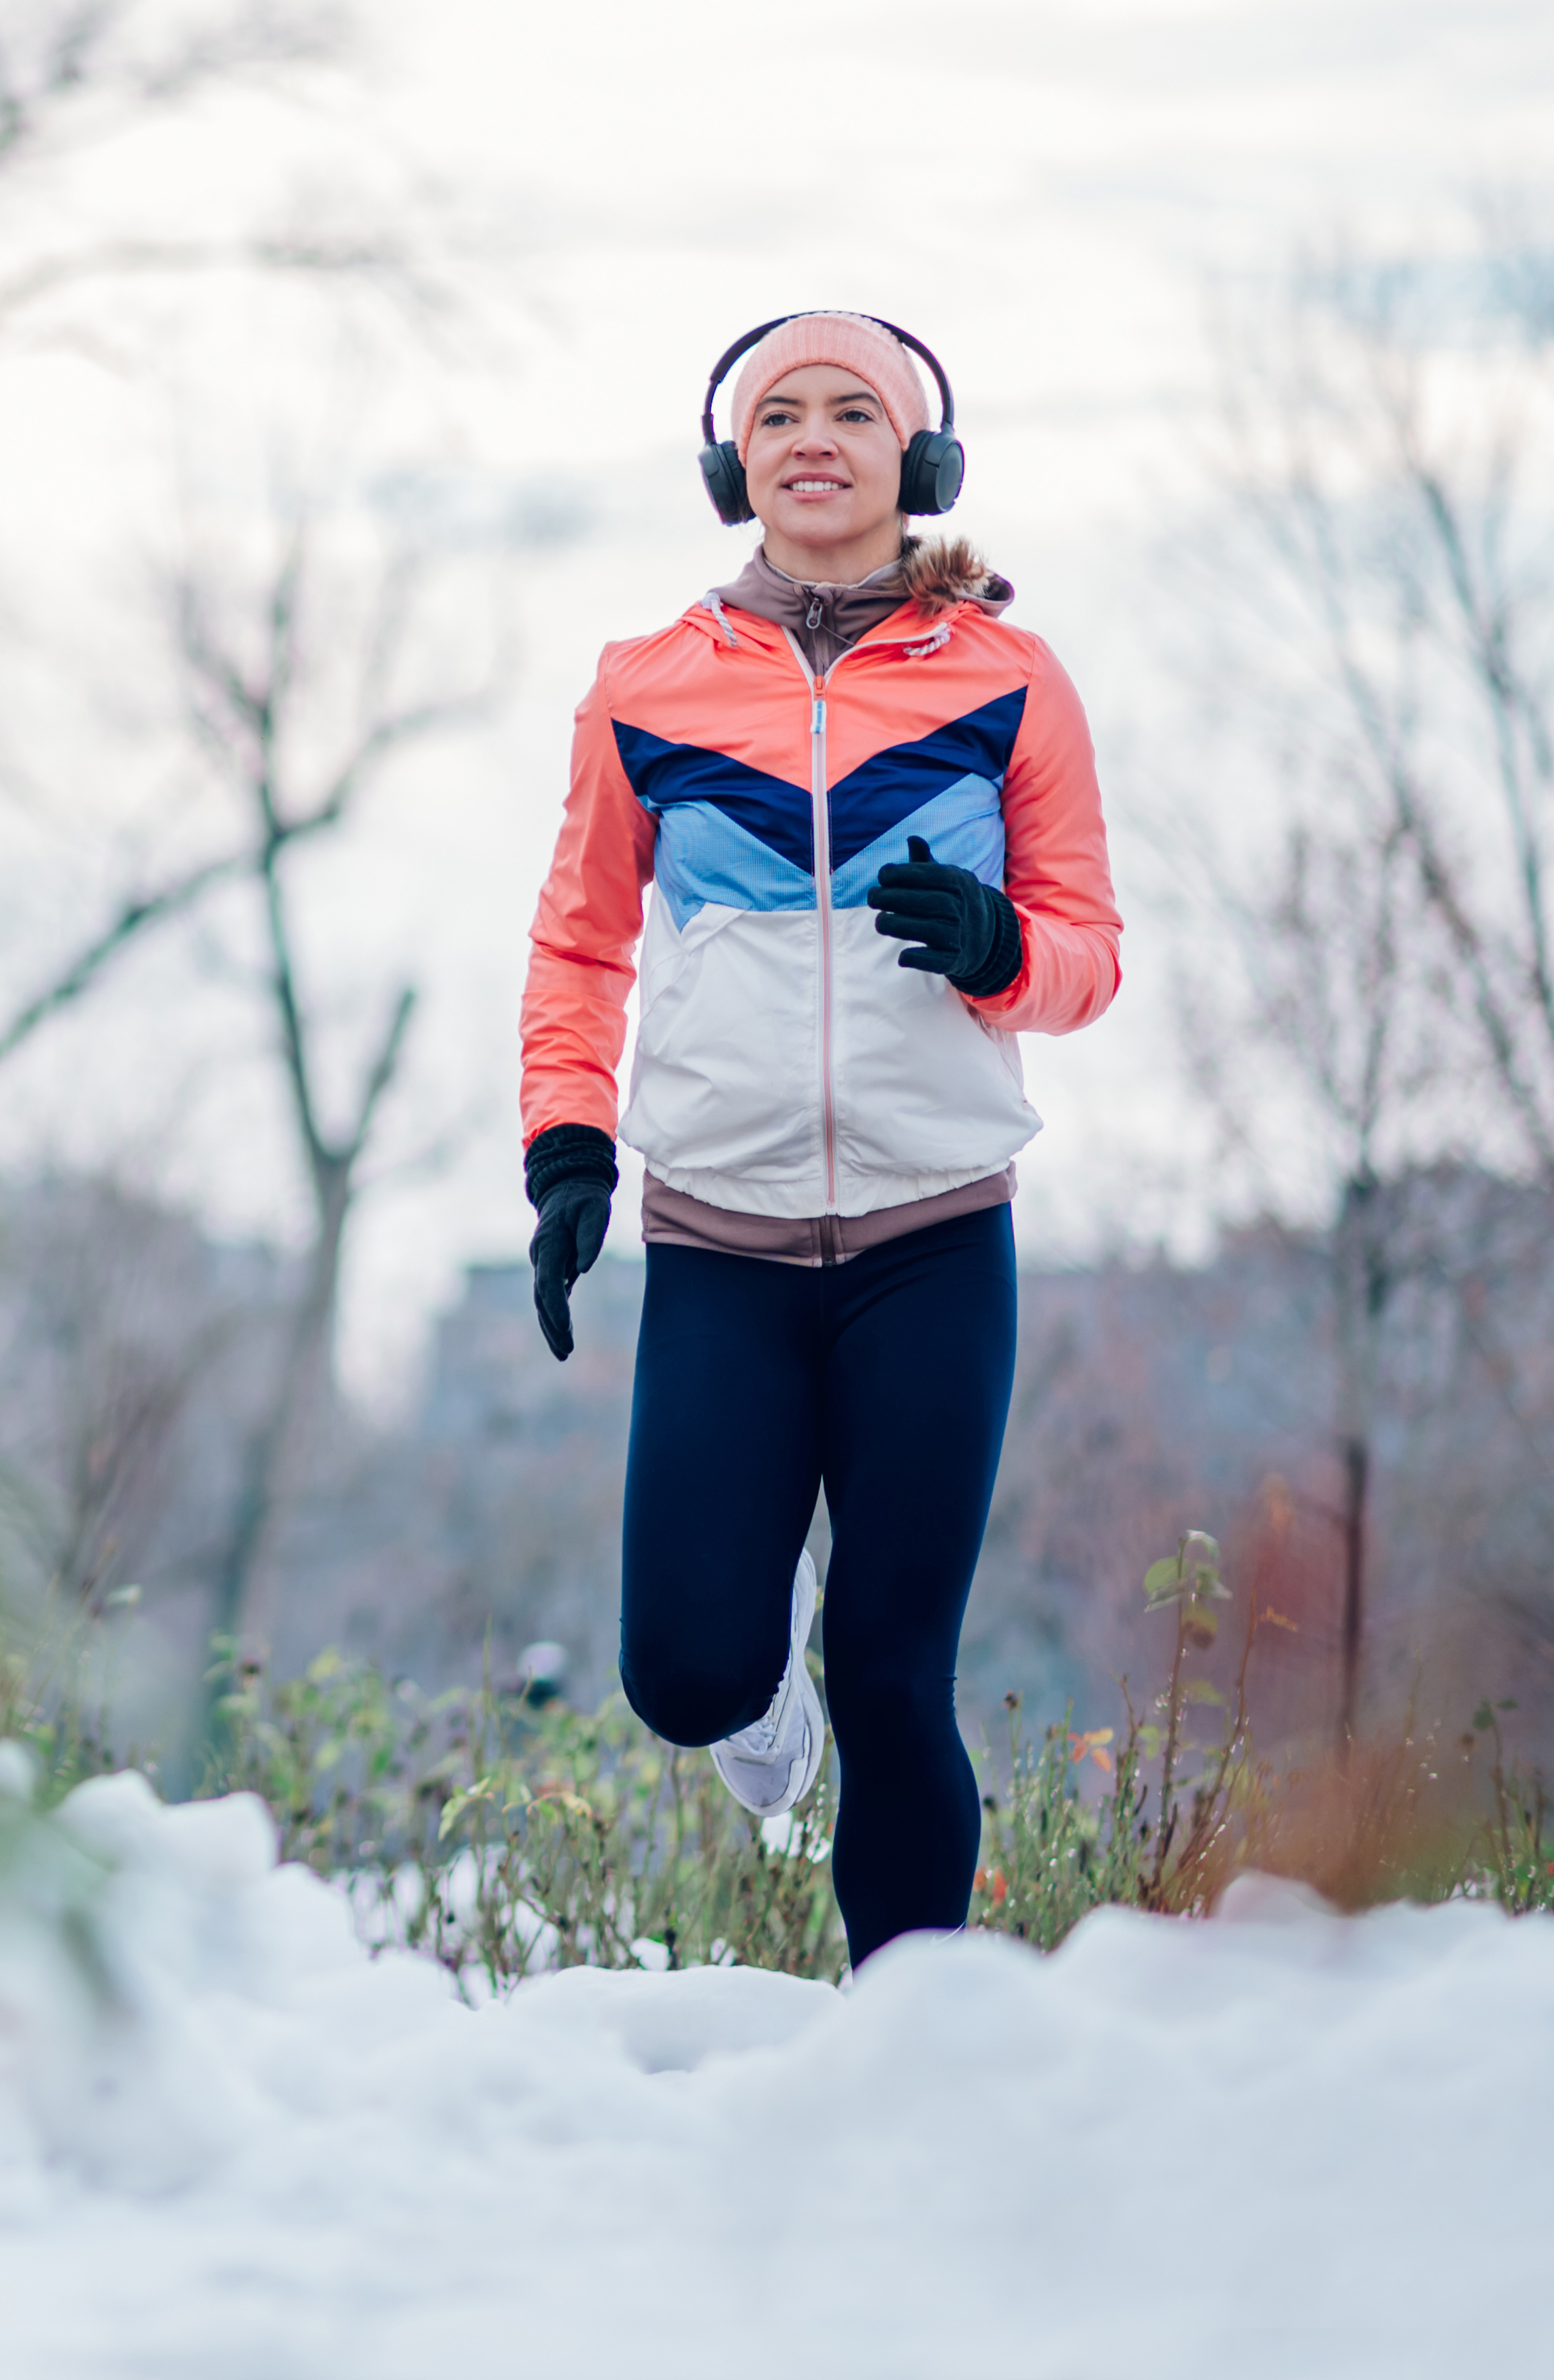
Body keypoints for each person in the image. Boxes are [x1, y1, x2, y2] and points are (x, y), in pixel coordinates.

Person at [513, 311, 1121, 1968]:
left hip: (936, 1238)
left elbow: (1089, 950)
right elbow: (580, 945)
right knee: (684, 1673)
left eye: (856, 409)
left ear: (919, 459)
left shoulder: (1009, 680)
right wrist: (568, 1148)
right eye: (780, 412)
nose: (815, 437)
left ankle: (911, 2036)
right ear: (735, 463)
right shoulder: (645, 687)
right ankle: (755, 1663)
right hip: (723, 1238)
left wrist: (1002, 950)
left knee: (897, 1672)